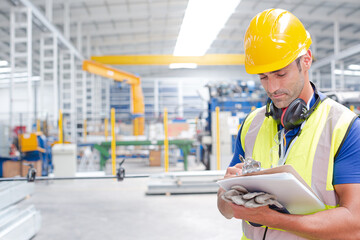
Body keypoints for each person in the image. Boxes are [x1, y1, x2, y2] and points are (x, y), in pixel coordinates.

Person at [217, 8, 360, 240]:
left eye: (280, 74)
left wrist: (274, 220)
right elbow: (225, 211)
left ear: (306, 60)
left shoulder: (344, 128)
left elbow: (355, 224)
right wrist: (227, 192)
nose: (272, 87)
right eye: (263, 77)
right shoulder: (252, 124)